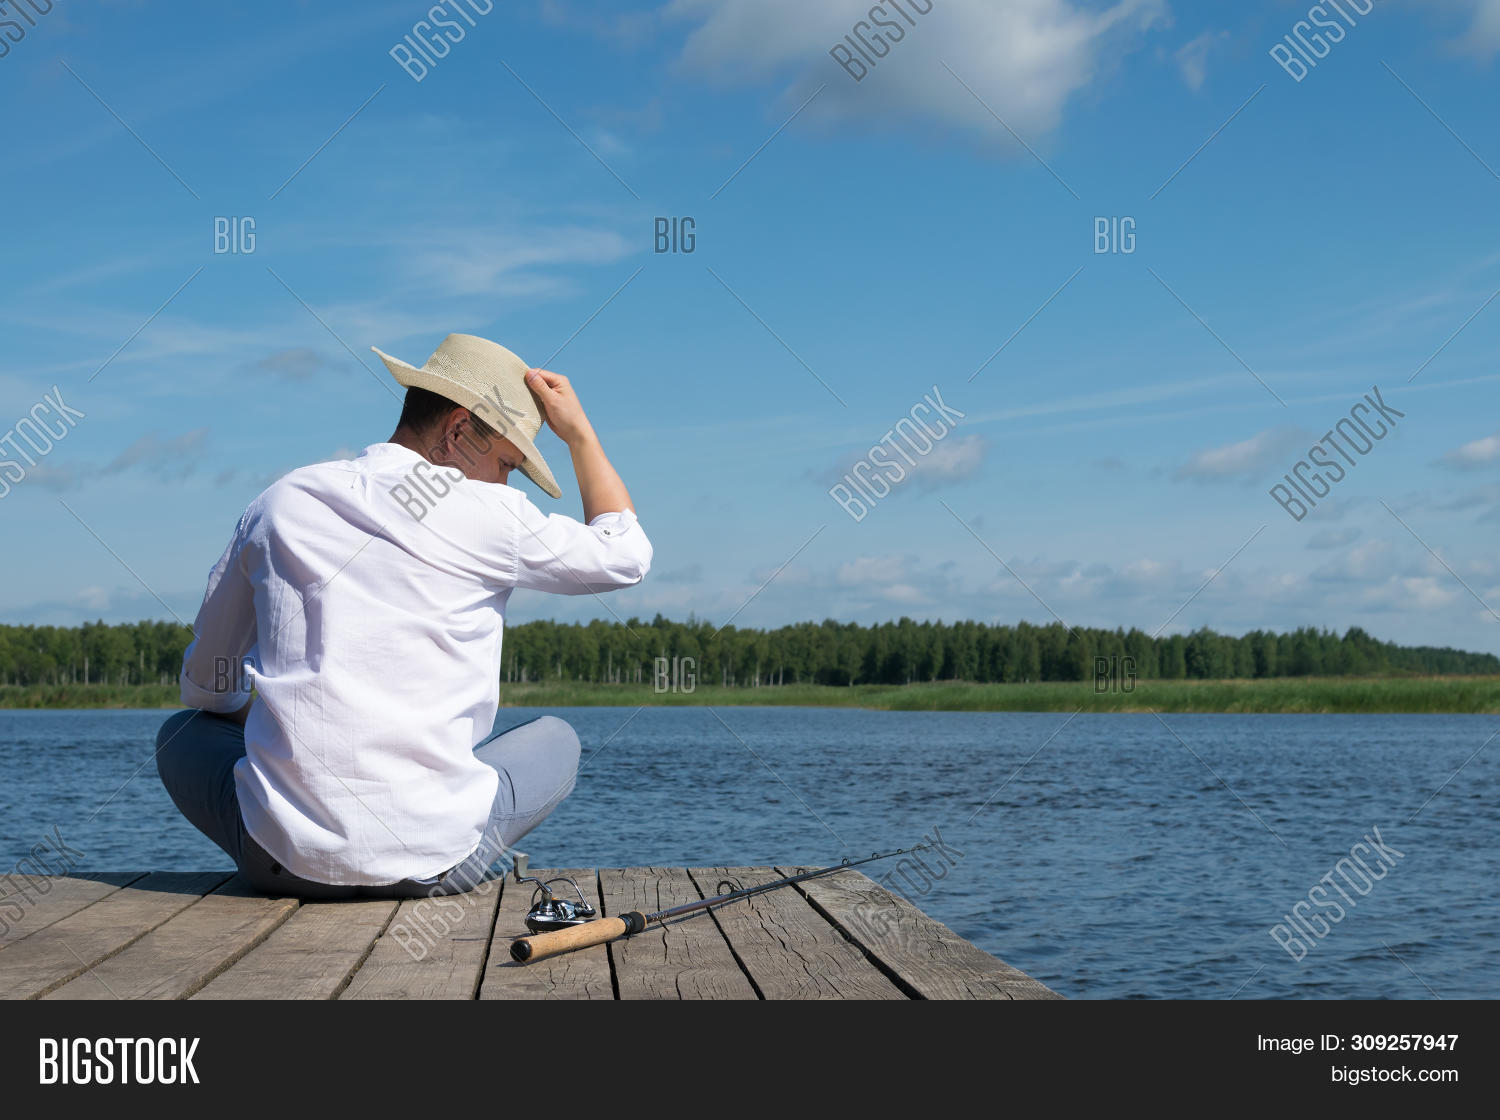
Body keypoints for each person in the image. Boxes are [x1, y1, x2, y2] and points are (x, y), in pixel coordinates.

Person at [155, 333, 650, 898]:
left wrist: (275, 727)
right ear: (458, 431)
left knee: (182, 732)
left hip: (282, 865)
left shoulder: (283, 501)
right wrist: (580, 435)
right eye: (508, 464)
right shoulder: (492, 514)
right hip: (438, 866)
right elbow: (627, 555)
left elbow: (206, 689)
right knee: (557, 738)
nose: (505, 482)